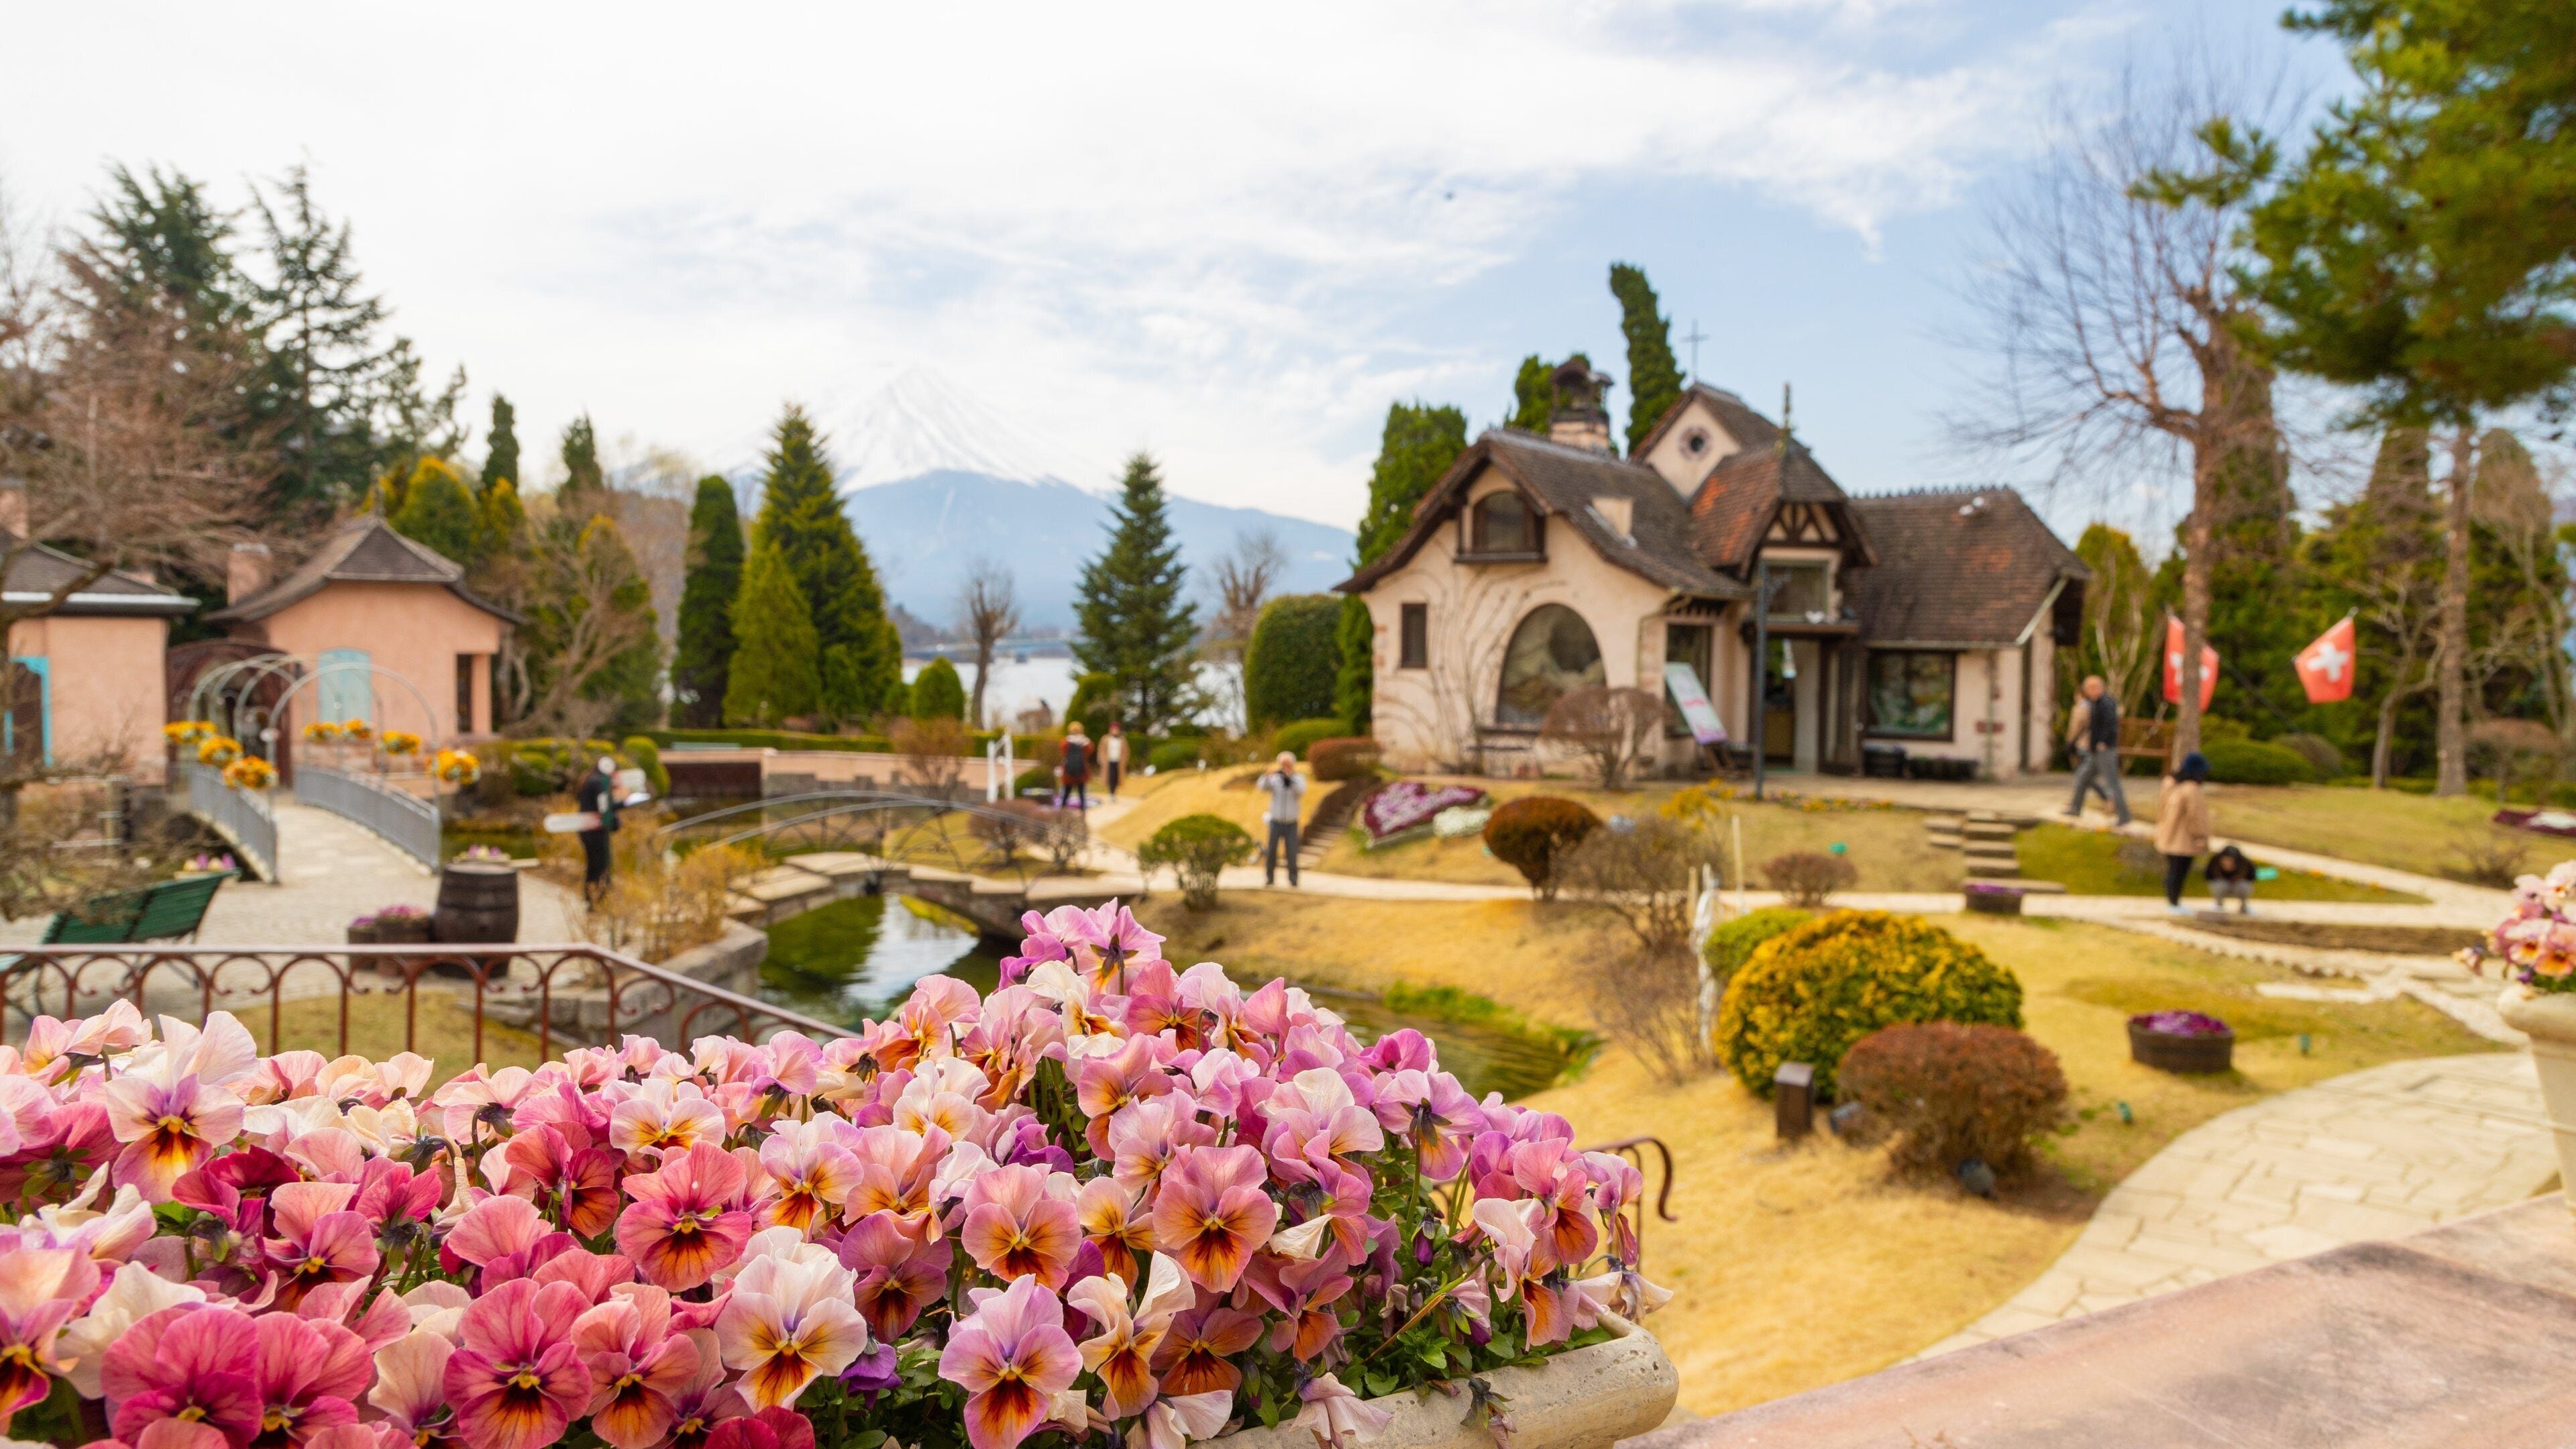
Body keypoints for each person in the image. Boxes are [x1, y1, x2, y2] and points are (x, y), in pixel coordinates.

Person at [2063, 676, 2131, 825]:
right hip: (2094, 751)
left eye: (2090, 689)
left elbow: (2111, 725)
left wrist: (2103, 742)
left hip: (2105, 750)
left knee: (2112, 782)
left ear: (2098, 688)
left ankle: (2124, 815)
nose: (2088, 692)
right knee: (2082, 777)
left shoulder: (2107, 703)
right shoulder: (2095, 703)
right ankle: (2075, 808)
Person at [2155, 750, 2212, 914]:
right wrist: (2201, 837)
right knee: (2179, 872)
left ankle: (2172, 901)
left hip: (2167, 834)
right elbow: (2197, 817)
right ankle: (2174, 903)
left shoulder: (2170, 784)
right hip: (2184, 838)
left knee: (2173, 870)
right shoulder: (2192, 789)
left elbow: (2161, 809)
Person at [574, 755, 621, 905]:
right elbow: (605, 806)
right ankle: (598, 899)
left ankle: (592, 898)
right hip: (595, 831)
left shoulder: (590, 779)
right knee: (600, 865)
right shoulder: (598, 782)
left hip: (588, 830)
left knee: (594, 865)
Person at [1256, 750, 1306, 888]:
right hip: (1276, 821)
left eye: (1287, 764)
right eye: (1282, 764)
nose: (1284, 767)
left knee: (1292, 852)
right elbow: (1262, 787)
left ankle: (1293, 879)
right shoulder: (1275, 779)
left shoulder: (1298, 778)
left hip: (1291, 822)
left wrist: (1291, 779)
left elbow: (1301, 791)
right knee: (1272, 850)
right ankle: (1270, 878)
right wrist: (1267, 776)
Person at [2206, 843, 2257, 914]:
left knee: (2244, 886)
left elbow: (2252, 878)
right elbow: (2208, 876)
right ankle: (2218, 905)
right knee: (2219, 885)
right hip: (2222, 885)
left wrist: (2236, 879)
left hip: (2237, 886)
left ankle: (2244, 906)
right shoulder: (2215, 861)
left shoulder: (2245, 863)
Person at [1060, 722, 1092, 810]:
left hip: (1068, 771)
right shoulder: (1085, 742)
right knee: (1082, 793)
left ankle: (1062, 809)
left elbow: (1062, 751)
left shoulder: (1066, 741)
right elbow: (1089, 751)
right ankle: (1083, 811)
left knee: (1066, 792)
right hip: (1081, 771)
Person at [1102, 720, 1128, 798]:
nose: (1115, 731)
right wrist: (1102, 759)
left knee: (1117, 778)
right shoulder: (1105, 739)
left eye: (1116, 729)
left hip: (1118, 761)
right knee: (1111, 777)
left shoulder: (1122, 740)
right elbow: (1102, 750)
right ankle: (1111, 793)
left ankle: (1114, 792)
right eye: (1113, 729)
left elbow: (1126, 751)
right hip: (1109, 761)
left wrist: (1124, 760)